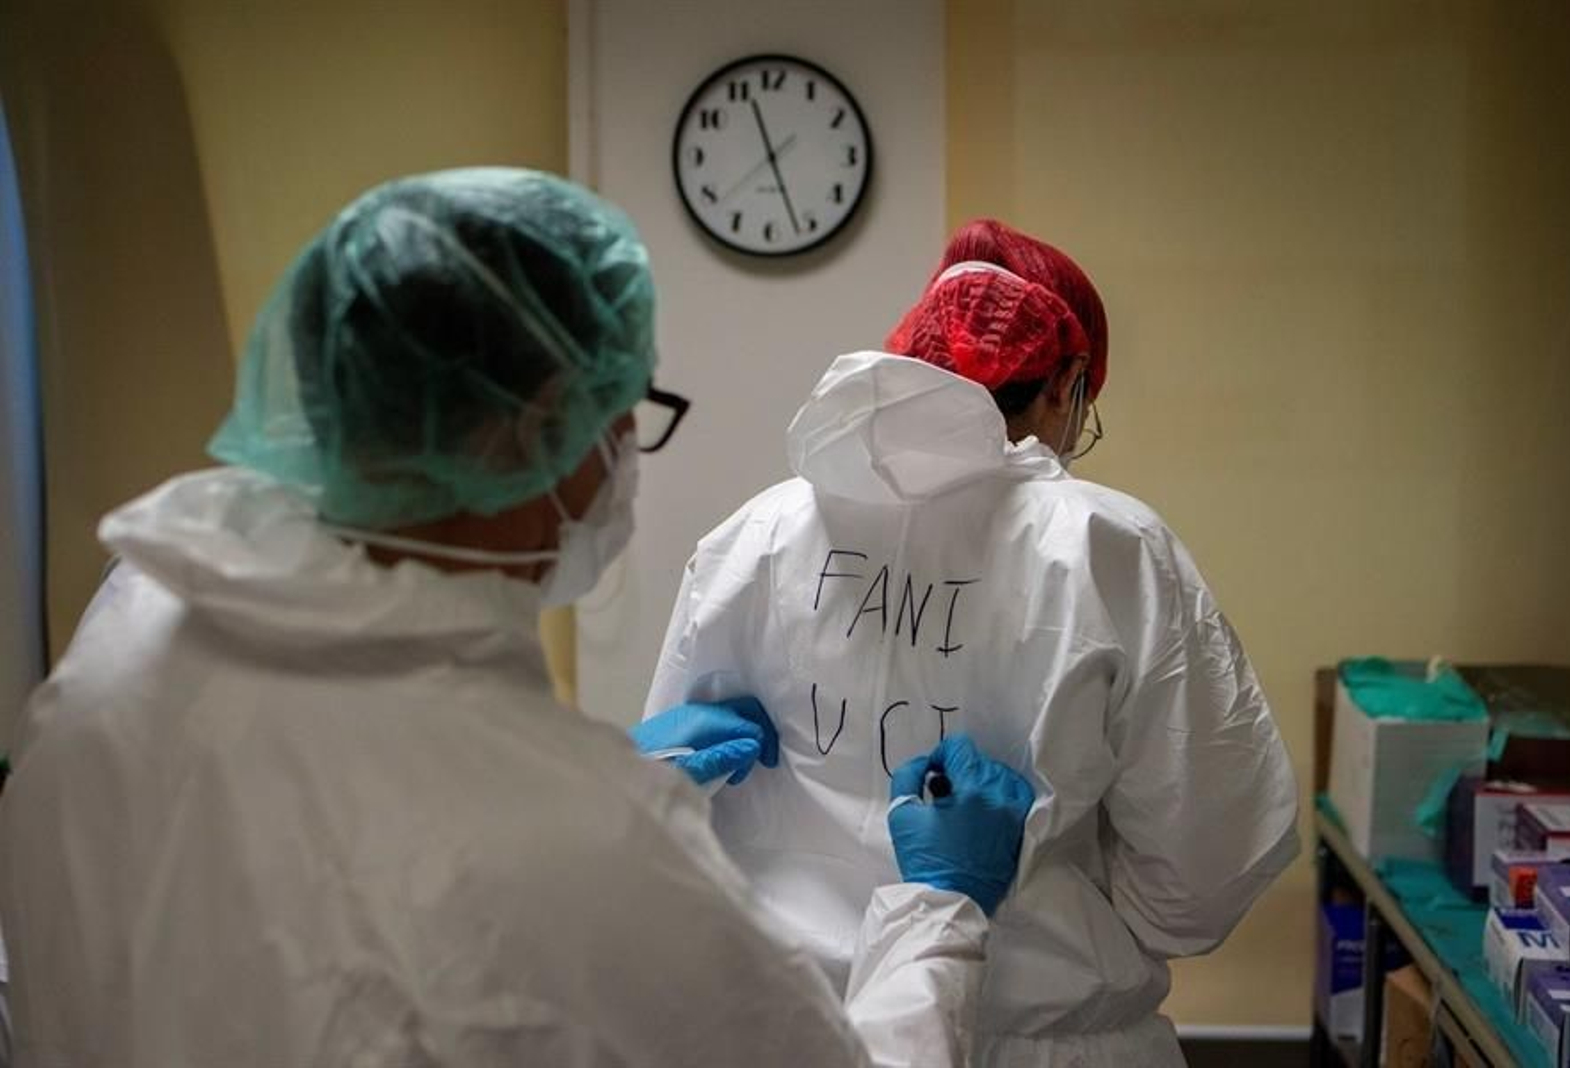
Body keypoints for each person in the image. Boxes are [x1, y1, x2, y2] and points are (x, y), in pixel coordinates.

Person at [0, 171, 1036, 1067]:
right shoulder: (585, 839)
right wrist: (939, 912)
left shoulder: (131, 621)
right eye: (624, 413)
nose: (626, 458)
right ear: (532, 432)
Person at [642, 219, 1301, 1067]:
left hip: (783, 1031)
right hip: (1061, 1044)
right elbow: (1198, 888)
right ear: (1066, 387)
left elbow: (664, 830)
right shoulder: (1109, 548)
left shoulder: (754, 538)